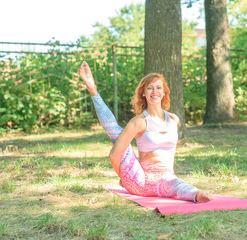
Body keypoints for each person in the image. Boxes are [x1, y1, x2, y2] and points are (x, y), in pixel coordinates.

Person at [79, 61, 213, 203]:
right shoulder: (139, 121)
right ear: (143, 93)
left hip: (166, 180)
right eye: (150, 88)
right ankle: (92, 89)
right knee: (118, 135)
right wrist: (124, 177)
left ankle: (197, 194)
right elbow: (114, 155)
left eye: (158, 88)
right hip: (140, 182)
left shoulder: (174, 119)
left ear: (164, 92)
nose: (155, 92)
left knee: (175, 184)